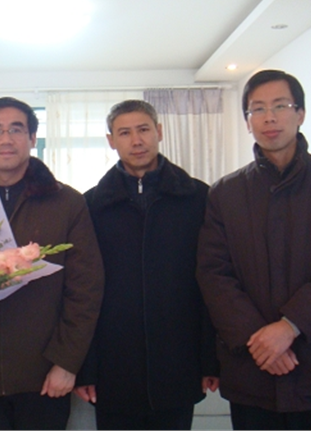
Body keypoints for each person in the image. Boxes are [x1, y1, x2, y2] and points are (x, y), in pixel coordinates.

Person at [0, 97, 104, 430]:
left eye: (16, 129)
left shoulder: (67, 203)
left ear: (32, 138)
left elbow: (85, 291)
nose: (6, 139)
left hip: (44, 375)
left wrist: (67, 363)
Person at [196, 69, 311, 430]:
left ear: (300, 114)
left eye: (280, 106)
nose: (269, 117)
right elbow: (214, 274)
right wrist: (260, 340)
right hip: (253, 373)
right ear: (247, 122)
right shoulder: (225, 193)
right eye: (257, 109)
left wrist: (290, 326)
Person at [73, 100, 220, 430]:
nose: (136, 141)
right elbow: (82, 292)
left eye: (143, 130)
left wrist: (210, 359)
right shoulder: (91, 205)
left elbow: (211, 283)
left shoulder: (198, 197)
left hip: (179, 359)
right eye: (125, 133)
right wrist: (86, 368)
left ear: (159, 132)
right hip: (113, 365)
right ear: (111, 140)